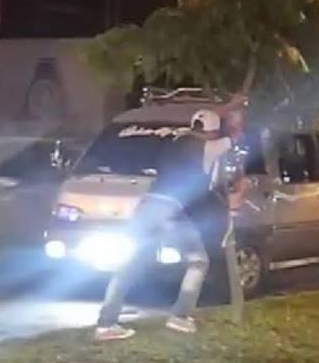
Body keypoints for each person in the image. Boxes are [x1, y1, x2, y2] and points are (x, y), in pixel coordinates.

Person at [94, 97, 242, 341]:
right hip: (170, 210)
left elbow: (207, 116)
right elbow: (235, 136)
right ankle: (180, 316)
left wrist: (229, 104)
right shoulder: (209, 148)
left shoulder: (177, 139)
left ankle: (106, 324)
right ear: (212, 133)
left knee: (129, 265)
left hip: (146, 206)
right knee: (198, 261)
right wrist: (236, 111)